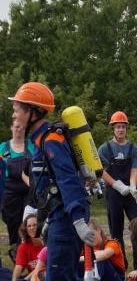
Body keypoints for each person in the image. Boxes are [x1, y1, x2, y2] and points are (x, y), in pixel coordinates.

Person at [9, 82, 94, 280]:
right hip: (58, 217)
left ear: (33, 112)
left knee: (59, 276)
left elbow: (68, 181)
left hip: (67, 219)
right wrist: (47, 218)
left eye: (17, 110)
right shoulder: (40, 140)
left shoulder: (51, 140)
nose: (14, 116)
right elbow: (48, 185)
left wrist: (78, 220)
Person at [98, 111, 137, 268]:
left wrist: (131, 186)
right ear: (113, 129)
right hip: (113, 193)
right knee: (116, 232)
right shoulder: (104, 149)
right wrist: (117, 185)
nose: (121, 130)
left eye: (123, 127)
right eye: (118, 127)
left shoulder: (133, 149)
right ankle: (121, 265)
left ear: (126, 128)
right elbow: (101, 171)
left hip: (131, 194)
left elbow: (134, 169)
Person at [0, 121, 35, 262]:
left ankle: (31, 252)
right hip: (9, 190)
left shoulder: (32, 145)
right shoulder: (3, 147)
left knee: (30, 220)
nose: (19, 129)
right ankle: (16, 252)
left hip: (29, 188)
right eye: (16, 126)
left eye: (21, 126)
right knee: (13, 222)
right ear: (11, 128)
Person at [12, 214, 44, 281]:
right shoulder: (23, 247)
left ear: (40, 226)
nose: (32, 228)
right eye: (29, 226)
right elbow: (18, 267)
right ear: (26, 229)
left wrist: (26, 279)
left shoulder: (47, 244)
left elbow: (43, 267)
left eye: (35, 225)